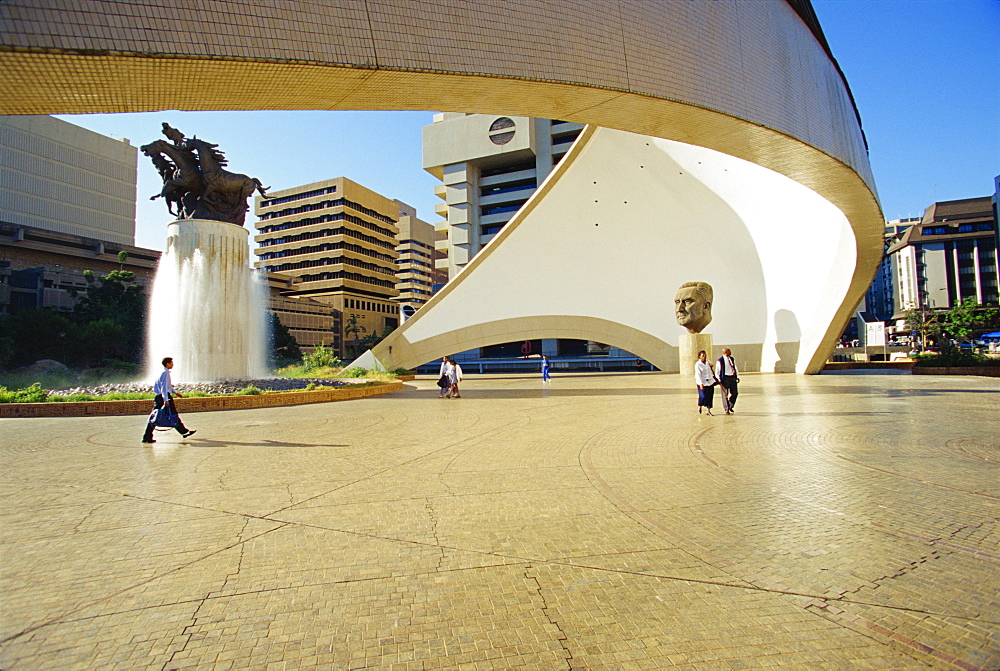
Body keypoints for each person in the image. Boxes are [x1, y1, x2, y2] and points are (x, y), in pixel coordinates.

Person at [142, 357, 196, 443]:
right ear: (167, 364)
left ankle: (147, 437)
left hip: (160, 397)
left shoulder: (163, 373)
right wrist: (166, 399)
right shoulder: (165, 373)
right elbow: (164, 387)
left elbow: (167, 386)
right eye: (171, 363)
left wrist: (175, 392)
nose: (173, 364)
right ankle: (184, 432)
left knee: (155, 417)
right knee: (172, 414)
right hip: (164, 397)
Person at [715, 347, 739, 414]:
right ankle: (726, 409)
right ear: (725, 352)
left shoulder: (731, 359)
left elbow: (735, 367)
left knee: (735, 393)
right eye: (729, 351)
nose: (730, 352)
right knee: (725, 394)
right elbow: (717, 371)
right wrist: (719, 380)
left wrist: (737, 376)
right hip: (725, 378)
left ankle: (730, 405)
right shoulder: (720, 360)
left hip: (732, 377)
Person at [694, 349, 718, 416]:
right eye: (703, 356)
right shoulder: (698, 364)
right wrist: (701, 383)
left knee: (710, 396)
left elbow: (711, 371)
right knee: (703, 396)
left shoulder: (708, 362)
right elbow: (698, 375)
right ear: (699, 356)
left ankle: (708, 410)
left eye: (705, 355)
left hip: (710, 382)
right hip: (702, 382)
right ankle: (700, 405)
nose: (704, 357)